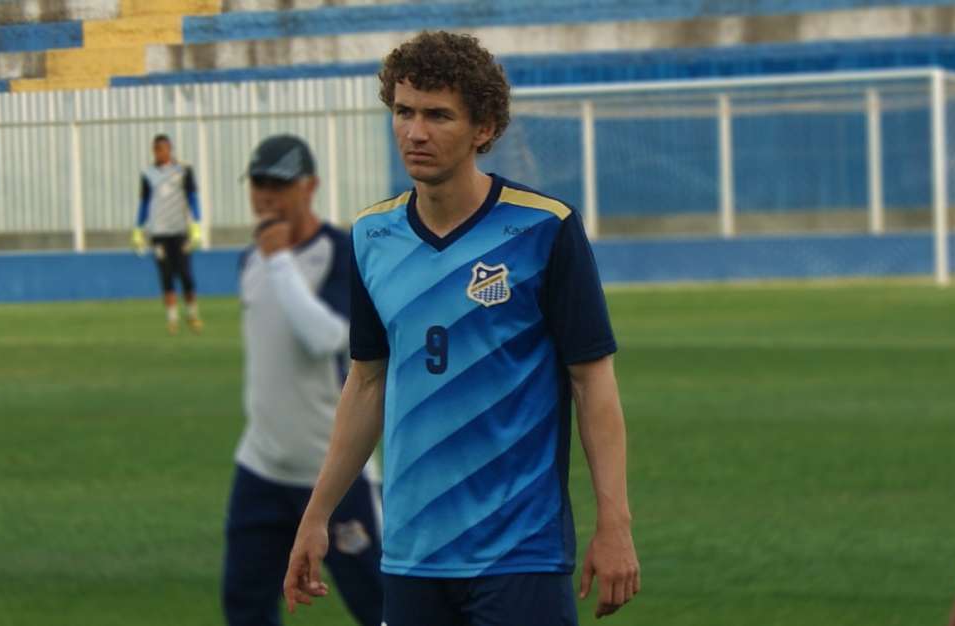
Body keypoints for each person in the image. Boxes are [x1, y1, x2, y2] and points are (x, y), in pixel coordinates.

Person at [283, 31, 639, 626]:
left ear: (484, 128)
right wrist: (316, 515)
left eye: (438, 115)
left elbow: (592, 381)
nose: (415, 132)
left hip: (521, 552)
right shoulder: (372, 237)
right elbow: (366, 383)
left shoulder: (544, 229)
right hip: (412, 554)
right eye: (404, 112)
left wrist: (615, 523)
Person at [222, 134, 384, 626]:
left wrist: (279, 261)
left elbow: (328, 336)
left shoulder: (339, 253)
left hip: (334, 470)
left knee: (379, 603)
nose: (266, 196)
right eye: (258, 184)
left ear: (310, 186)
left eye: (279, 184)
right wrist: (270, 259)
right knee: (245, 606)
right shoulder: (250, 259)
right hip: (261, 466)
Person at [131, 134, 204, 334]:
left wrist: (196, 224)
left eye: (163, 149)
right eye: (156, 149)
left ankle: (192, 315)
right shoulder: (147, 174)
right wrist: (138, 228)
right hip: (159, 233)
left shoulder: (183, 170)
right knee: (166, 276)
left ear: (170, 149)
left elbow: (192, 197)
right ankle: (172, 319)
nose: (160, 153)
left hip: (180, 230)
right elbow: (145, 202)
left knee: (186, 275)